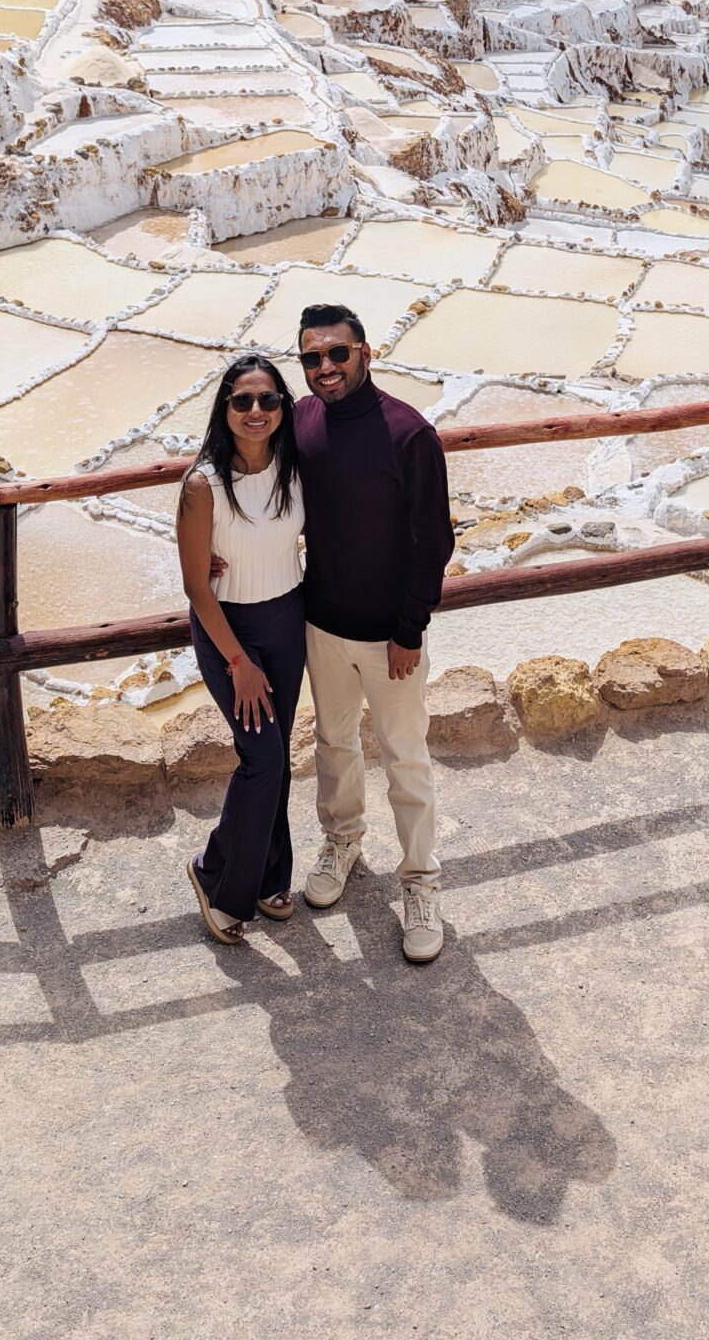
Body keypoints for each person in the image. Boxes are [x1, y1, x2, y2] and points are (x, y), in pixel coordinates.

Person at [294, 303, 456, 965]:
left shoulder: (409, 434)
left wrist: (409, 630)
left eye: (337, 353)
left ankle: (420, 881)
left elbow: (433, 542)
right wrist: (213, 549)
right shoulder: (299, 422)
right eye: (312, 358)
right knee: (334, 746)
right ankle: (343, 841)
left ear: (366, 353)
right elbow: (254, 487)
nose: (325, 368)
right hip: (320, 624)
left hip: (390, 636)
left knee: (405, 759)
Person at [176, 352, 306, 946]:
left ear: (284, 407)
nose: (257, 411)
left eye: (269, 400)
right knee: (264, 759)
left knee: (276, 755)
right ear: (224, 408)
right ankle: (217, 876)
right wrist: (239, 663)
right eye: (243, 401)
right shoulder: (203, 485)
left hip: (288, 619)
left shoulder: (294, 462)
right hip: (231, 632)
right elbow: (197, 585)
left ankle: (269, 875)